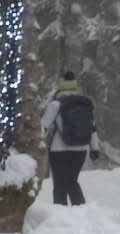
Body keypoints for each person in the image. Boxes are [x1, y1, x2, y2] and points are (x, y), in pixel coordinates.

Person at [40, 70, 100, 205]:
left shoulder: (56, 104)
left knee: (60, 184)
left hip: (59, 150)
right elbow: (92, 127)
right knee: (71, 181)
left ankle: (61, 214)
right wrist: (94, 149)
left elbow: (43, 125)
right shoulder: (86, 103)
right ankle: (80, 212)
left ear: (60, 84)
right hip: (81, 149)